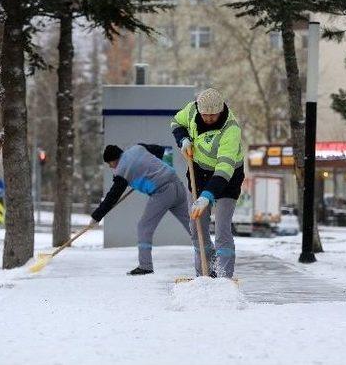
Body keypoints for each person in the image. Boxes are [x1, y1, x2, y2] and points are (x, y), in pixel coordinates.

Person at [171, 88, 244, 278]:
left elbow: (224, 168)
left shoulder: (231, 129)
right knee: (197, 228)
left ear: (220, 111)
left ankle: (224, 275)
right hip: (198, 173)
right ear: (199, 109)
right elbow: (176, 123)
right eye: (205, 115)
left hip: (228, 177)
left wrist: (207, 196)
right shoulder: (191, 110)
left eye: (213, 115)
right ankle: (204, 272)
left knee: (221, 229)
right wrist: (184, 139)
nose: (209, 119)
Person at [91, 143, 191, 275]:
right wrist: (152, 171)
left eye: (110, 164)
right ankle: (211, 257)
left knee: (144, 227)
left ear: (114, 160)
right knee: (193, 225)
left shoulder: (122, 171)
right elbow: (161, 151)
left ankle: (145, 266)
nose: (111, 167)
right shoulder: (137, 148)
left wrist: (96, 216)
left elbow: (112, 197)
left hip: (162, 192)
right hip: (177, 184)